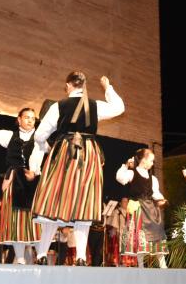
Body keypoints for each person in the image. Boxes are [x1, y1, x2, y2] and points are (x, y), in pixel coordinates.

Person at [29, 72, 124, 266]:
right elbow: (119, 108)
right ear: (83, 85)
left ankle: (41, 254)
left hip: (65, 153)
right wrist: (108, 88)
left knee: (54, 200)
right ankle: (81, 256)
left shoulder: (59, 106)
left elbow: (39, 135)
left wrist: (47, 147)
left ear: (68, 85)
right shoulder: (95, 105)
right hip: (88, 154)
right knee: (84, 202)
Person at [0, 108, 42, 264]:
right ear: (19, 119)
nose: (29, 120)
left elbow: (51, 150)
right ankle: (20, 258)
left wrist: (34, 172)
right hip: (14, 182)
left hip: (33, 182)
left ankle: (41, 255)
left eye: (33, 118)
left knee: (36, 221)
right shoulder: (10, 136)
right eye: (26, 117)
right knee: (16, 221)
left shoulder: (41, 138)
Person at [116, 148, 168, 269]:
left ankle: (162, 264)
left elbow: (156, 193)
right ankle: (140, 266)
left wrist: (162, 200)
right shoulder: (132, 173)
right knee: (140, 238)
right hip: (138, 209)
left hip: (151, 209)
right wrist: (125, 165)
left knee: (158, 233)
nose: (152, 163)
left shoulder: (153, 178)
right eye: (151, 160)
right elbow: (120, 178)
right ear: (143, 160)